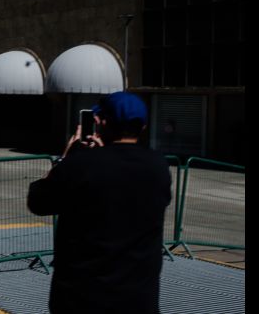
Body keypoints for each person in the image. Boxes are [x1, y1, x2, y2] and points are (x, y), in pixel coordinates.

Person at [27, 91, 171, 314]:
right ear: (142, 127)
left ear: (101, 122)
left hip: (83, 297)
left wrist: (66, 157)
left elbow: (38, 201)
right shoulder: (158, 166)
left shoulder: (81, 165)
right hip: (139, 298)